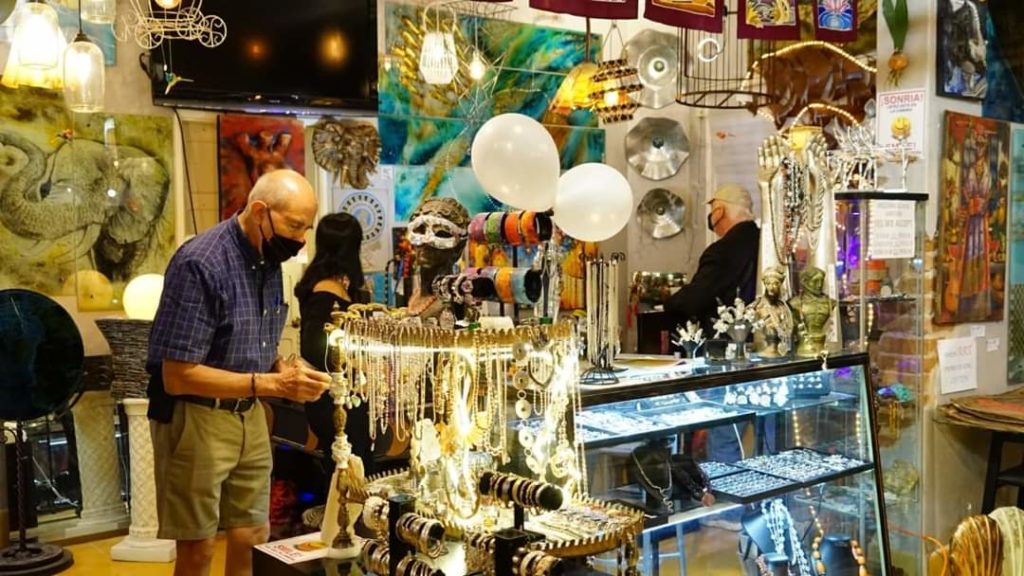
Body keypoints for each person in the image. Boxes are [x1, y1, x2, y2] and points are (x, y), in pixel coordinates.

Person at [146, 169, 332, 576]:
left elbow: (249, 342)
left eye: (307, 228)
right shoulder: (201, 262)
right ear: (260, 211)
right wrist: (272, 383)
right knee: (197, 547)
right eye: (294, 225)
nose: (301, 239)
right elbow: (177, 375)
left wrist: (282, 368)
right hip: (196, 416)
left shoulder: (268, 260)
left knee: (252, 537)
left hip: (249, 414)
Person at [295, 212, 373, 475]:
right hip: (334, 398)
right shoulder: (325, 293)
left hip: (342, 395)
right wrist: (354, 361)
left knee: (350, 466)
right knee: (349, 470)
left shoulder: (330, 285)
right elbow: (313, 346)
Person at [665, 183, 760, 335]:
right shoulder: (762, 241)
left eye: (712, 211)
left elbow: (695, 299)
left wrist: (670, 303)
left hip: (729, 339)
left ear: (719, 212)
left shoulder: (722, 251)